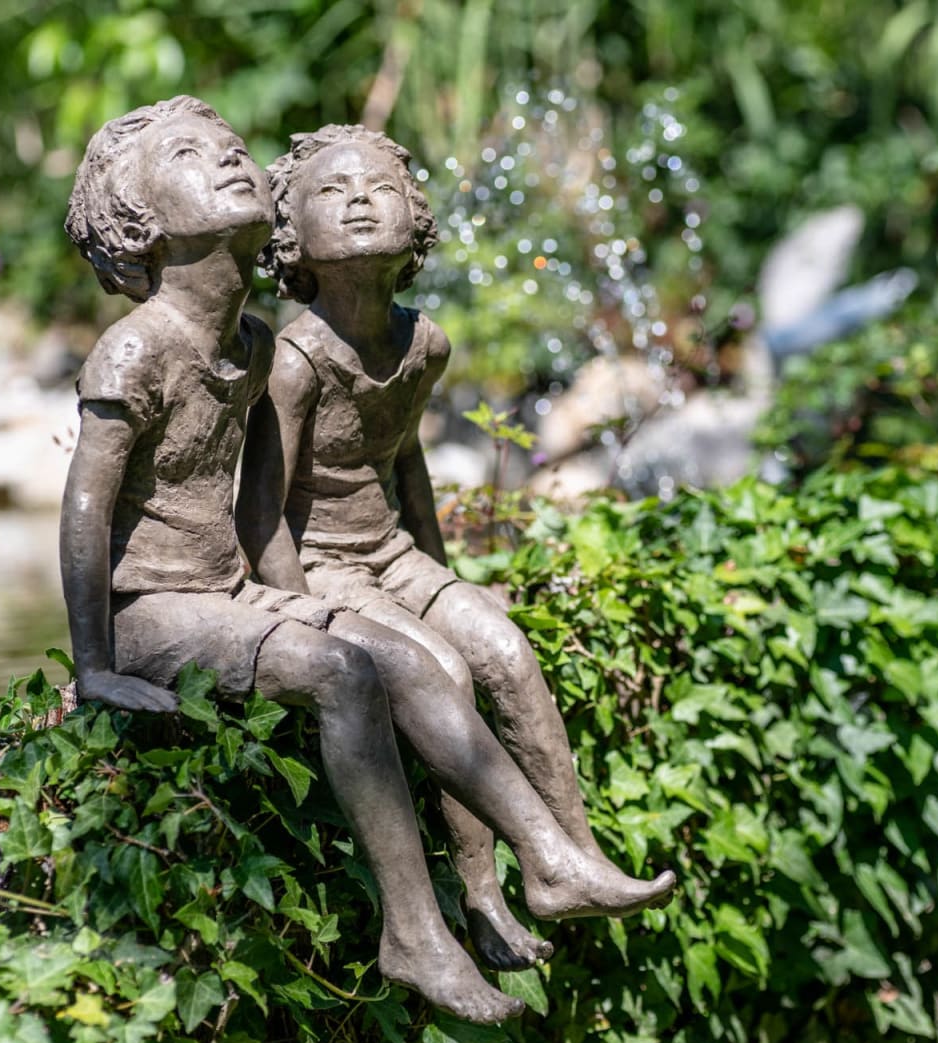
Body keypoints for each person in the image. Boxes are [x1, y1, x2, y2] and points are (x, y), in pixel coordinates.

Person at [62, 98, 670, 1021]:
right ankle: (415, 937)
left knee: (417, 662)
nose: (230, 159)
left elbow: (265, 512)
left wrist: (284, 594)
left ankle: (550, 861)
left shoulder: (254, 343)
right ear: (136, 220)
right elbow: (83, 510)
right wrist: (96, 666)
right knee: (343, 669)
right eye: (191, 156)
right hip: (151, 609)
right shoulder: (137, 347)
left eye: (233, 147)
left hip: (228, 596)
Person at [242, 124, 672, 971]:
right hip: (323, 563)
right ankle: (482, 892)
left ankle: (573, 862)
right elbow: (259, 513)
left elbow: (408, 463)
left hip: (395, 556)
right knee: (444, 669)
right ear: (292, 234)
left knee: (506, 651)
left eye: (380, 186)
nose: (360, 199)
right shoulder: (296, 359)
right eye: (332, 191)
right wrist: (302, 609)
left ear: (417, 218)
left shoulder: (423, 344)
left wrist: (445, 577)